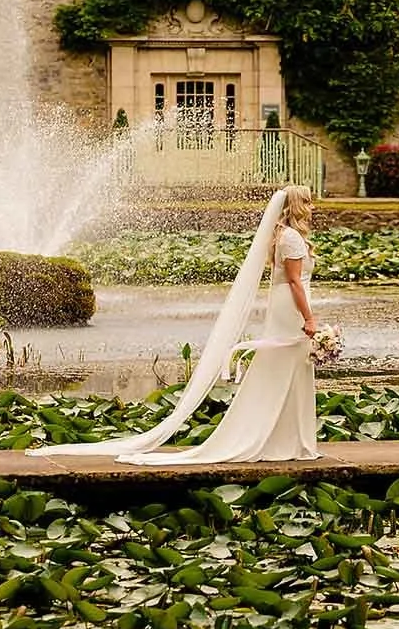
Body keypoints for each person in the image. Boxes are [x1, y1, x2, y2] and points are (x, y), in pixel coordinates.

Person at [28, 185, 320, 464]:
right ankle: (285, 438)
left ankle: (287, 437)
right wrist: (308, 317)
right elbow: (294, 280)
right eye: (307, 201)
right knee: (288, 364)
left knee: (290, 365)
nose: (312, 206)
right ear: (296, 205)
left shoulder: (283, 234)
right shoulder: (291, 237)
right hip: (292, 307)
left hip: (288, 304)